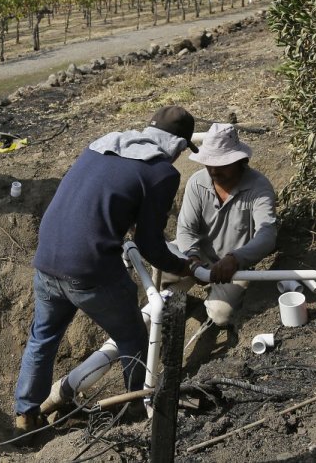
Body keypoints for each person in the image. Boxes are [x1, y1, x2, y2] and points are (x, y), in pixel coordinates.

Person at [13, 106, 200, 433]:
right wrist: (183, 267)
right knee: (133, 338)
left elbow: (96, 202)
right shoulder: (161, 174)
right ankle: (130, 417)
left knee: (42, 339)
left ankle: (25, 417)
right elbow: (151, 244)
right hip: (89, 270)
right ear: (178, 145)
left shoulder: (102, 144)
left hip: (47, 260)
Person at [174, 122, 277, 331]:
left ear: (240, 161)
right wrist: (191, 257)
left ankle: (207, 308)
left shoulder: (258, 187)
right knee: (160, 264)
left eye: (221, 164)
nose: (213, 170)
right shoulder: (197, 182)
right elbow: (185, 228)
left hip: (232, 265)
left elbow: (267, 234)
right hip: (198, 254)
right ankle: (176, 304)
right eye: (209, 163)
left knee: (220, 315)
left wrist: (236, 258)